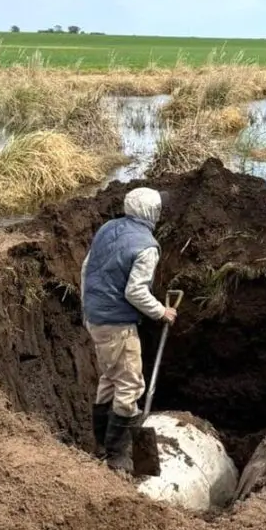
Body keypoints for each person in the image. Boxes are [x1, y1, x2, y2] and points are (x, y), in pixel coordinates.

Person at [80, 186, 178, 474]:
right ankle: (117, 458)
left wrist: (89, 308)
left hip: (97, 316)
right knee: (131, 385)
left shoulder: (108, 228)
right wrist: (162, 311)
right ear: (152, 213)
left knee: (110, 377)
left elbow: (87, 268)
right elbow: (135, 291)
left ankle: (101, 445)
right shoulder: (147, 246)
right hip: (118, 323)